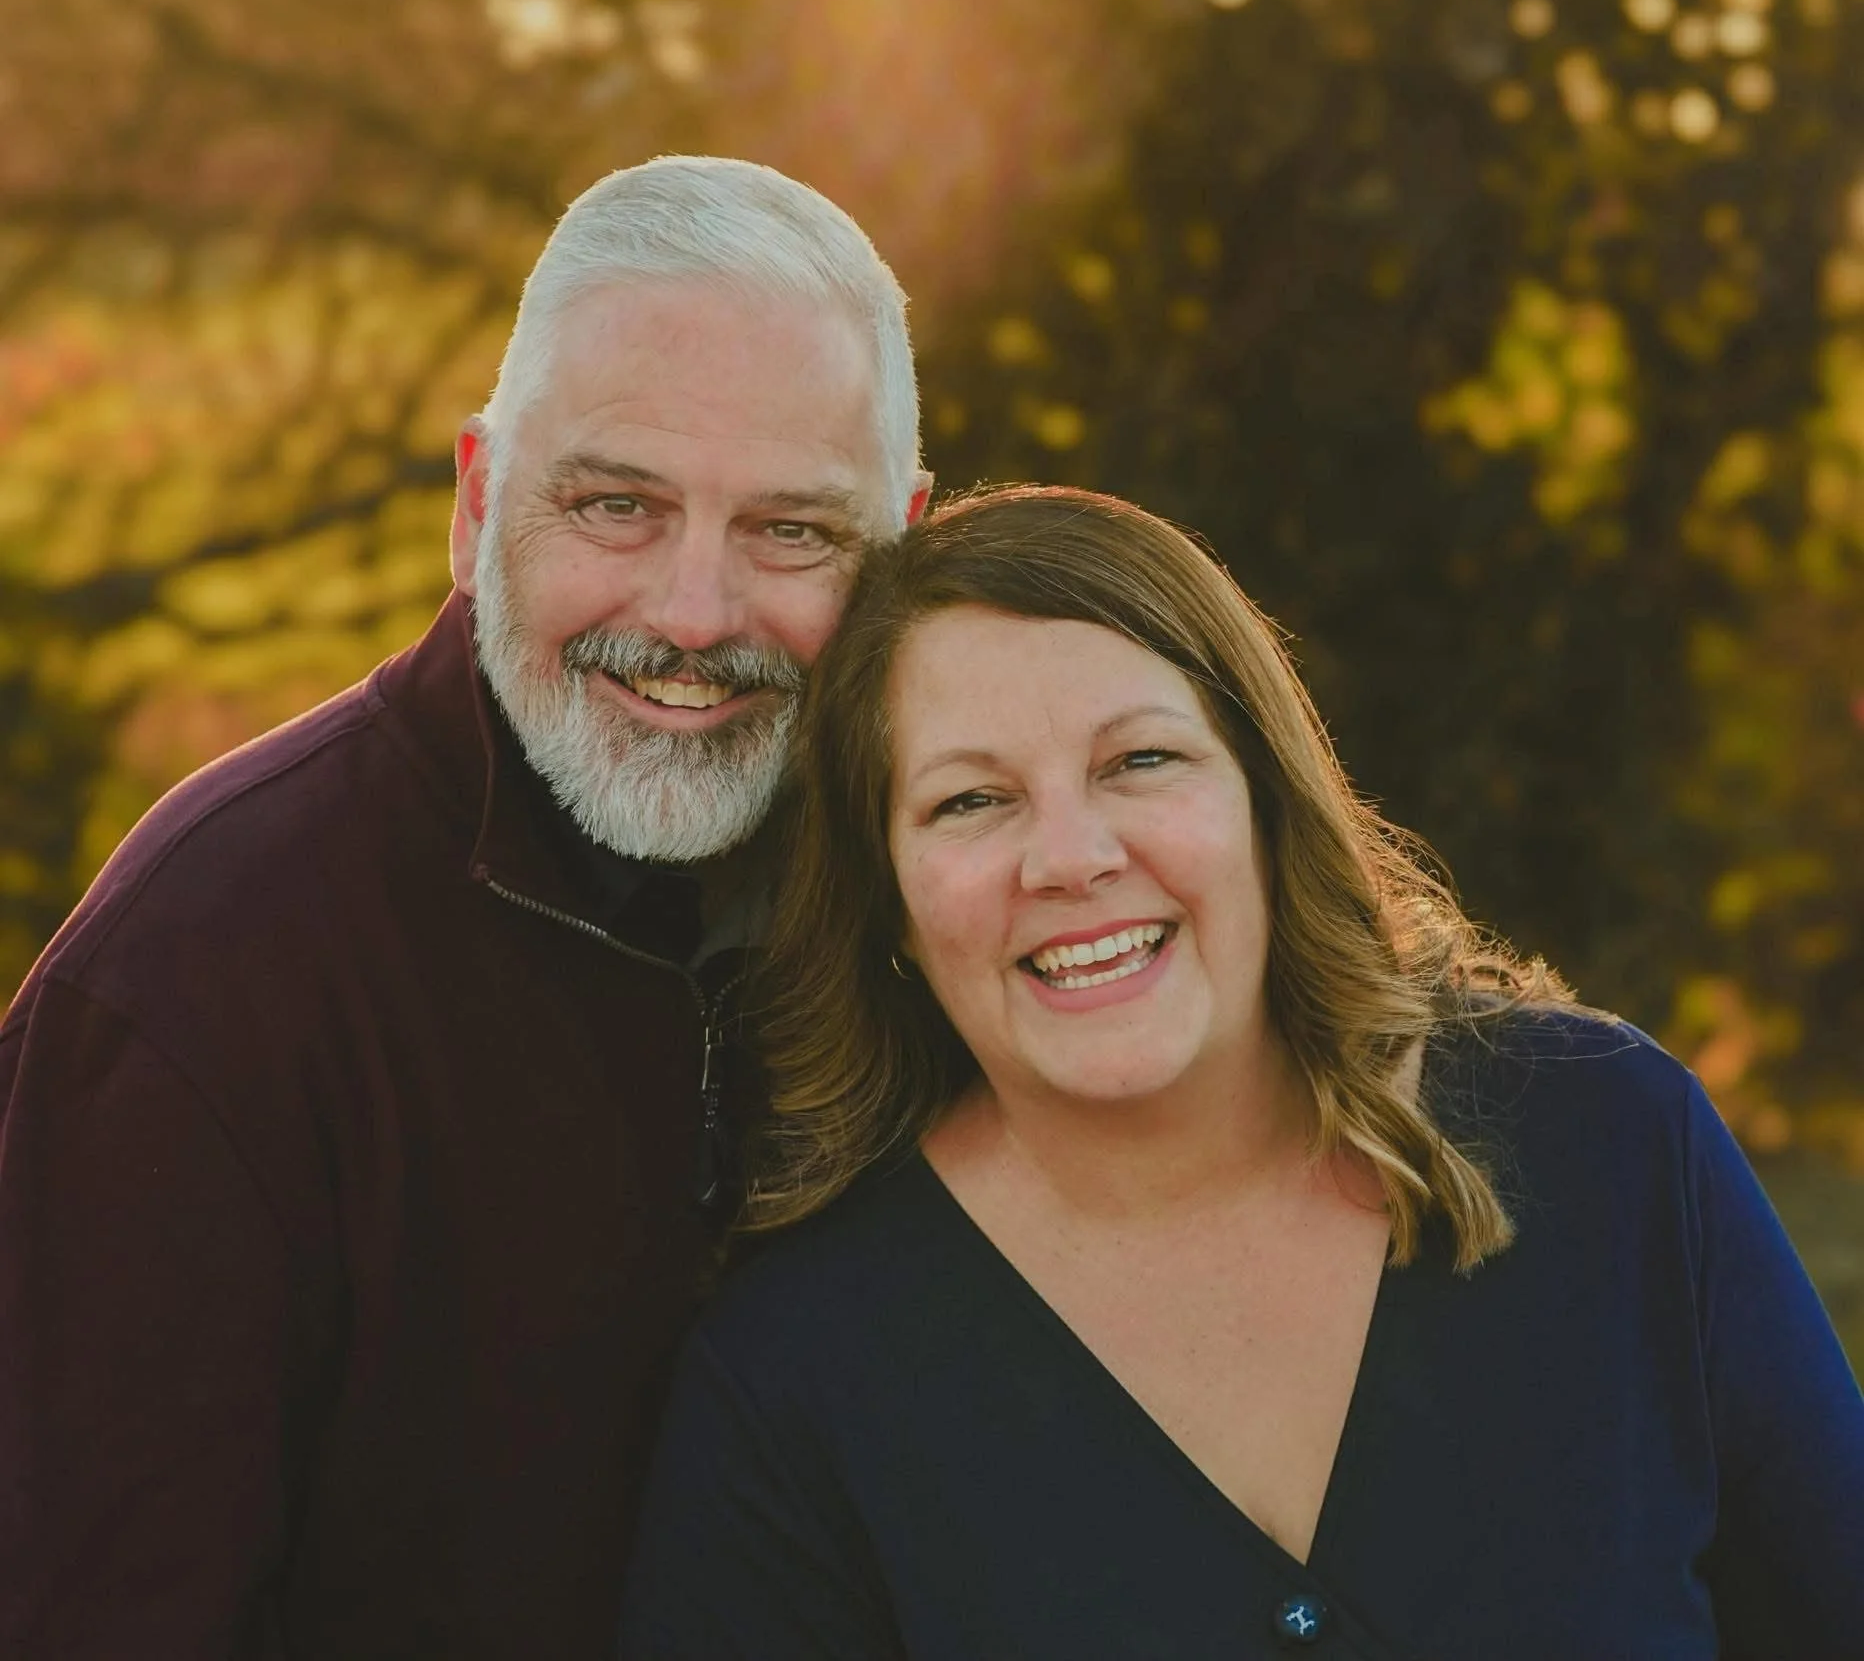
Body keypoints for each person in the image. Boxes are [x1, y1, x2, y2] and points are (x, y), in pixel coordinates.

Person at [620, 486, 1864, 1661]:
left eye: (1140, 762)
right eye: (970, 801)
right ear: (888, 899)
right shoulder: (794, 1381)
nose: (1070, 856)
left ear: (1265, 796)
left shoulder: (1609, 1139)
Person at [0, 155, 931, 1660]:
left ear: (905, 541)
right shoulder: (202, 985)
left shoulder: (952, 912)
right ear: (480, 500)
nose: (695, 617)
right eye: (617, 505)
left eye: (792, 532)